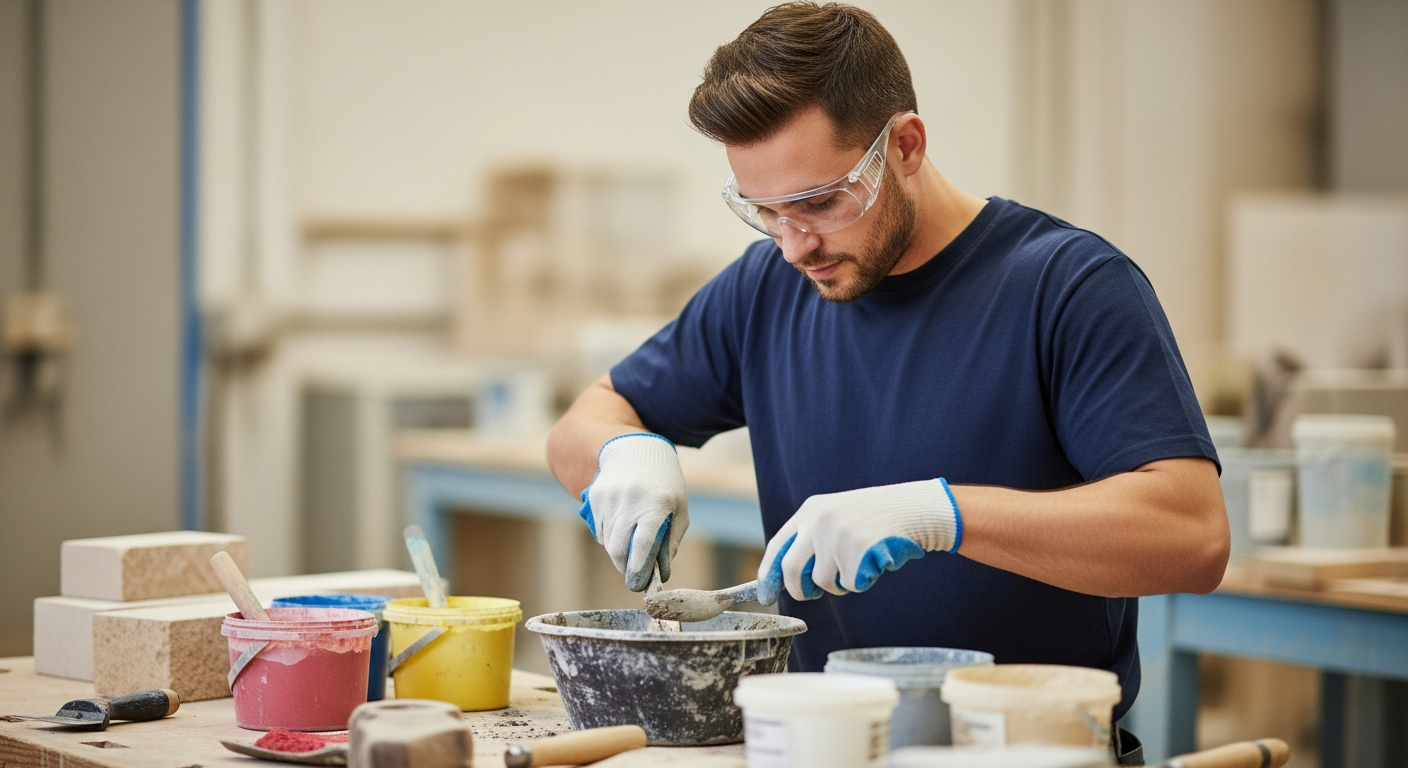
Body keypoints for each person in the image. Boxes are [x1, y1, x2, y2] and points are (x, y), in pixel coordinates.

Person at [546, 0, 1229, 744]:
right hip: (820, 746)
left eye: (820, 202)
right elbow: (587, 420)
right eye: (764, 211)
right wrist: (623, 450)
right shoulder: (764, 291)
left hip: (1025, 752)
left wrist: (942, 516)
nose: (794, 245)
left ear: (905, 144)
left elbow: (1191, 536)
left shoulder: (1066, 286)